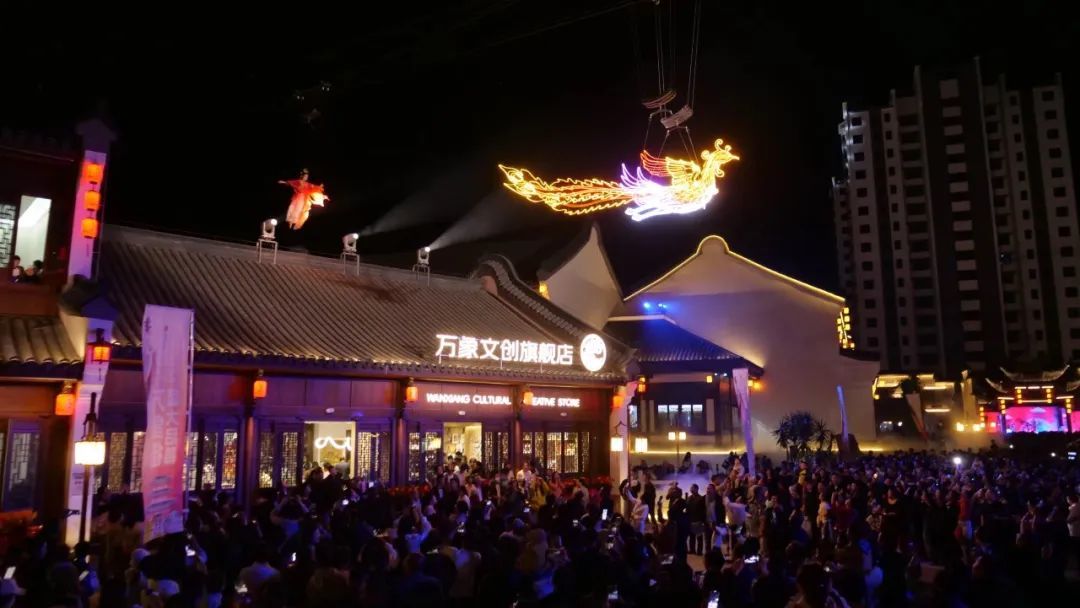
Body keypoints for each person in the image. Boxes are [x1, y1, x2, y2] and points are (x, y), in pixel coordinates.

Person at [687, 483, 707, 555]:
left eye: (692, 488)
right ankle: (692, 549)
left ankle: (699, 551)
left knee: (699, 537)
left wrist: (702, 521)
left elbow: (703, 510)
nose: (691, 489)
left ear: (696, 489)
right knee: (692, 536)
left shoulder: (701, 498)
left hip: (698, 520)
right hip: (691, 520)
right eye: (691, 488)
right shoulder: (689, 498)